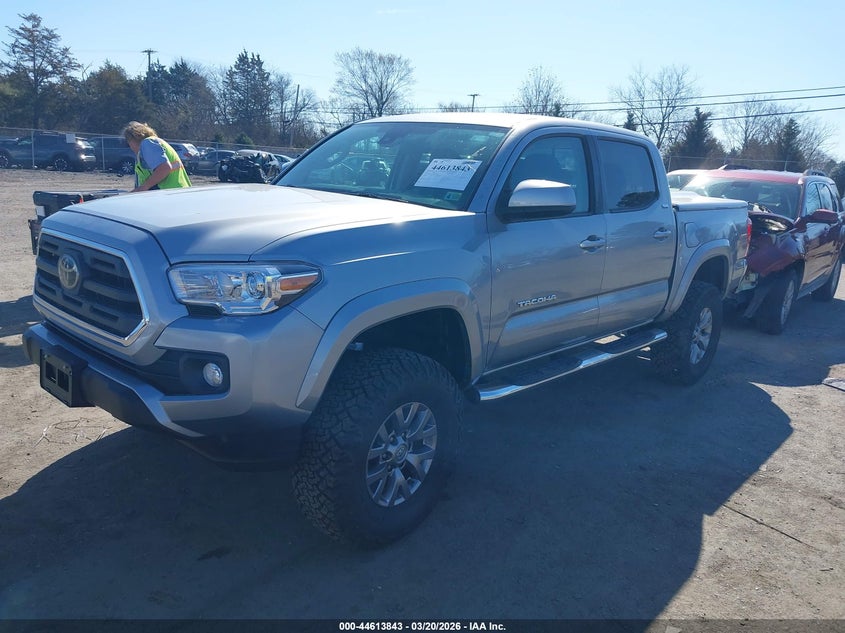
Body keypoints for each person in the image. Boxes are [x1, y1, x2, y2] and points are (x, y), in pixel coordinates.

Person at [122, 121, 191, 192]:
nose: (130, 147)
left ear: (133, 139)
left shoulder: (148, 143)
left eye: (128, 142)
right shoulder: (155, 142)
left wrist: (143, 187)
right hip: (177, 192)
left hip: (167, 194)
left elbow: (164, 168)